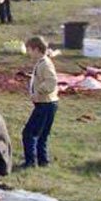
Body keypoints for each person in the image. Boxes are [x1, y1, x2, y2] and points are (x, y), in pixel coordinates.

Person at [22, 36, 59, 169]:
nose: (28, 53)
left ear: (37, 49)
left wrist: (38, 92)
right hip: (50, 103)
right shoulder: (43, 62)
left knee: (29, 133)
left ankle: (30, 162)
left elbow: (51, 81)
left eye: (30, 50)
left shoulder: (45, 64)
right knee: (42, 134)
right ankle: (43, 161)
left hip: (45, 104)